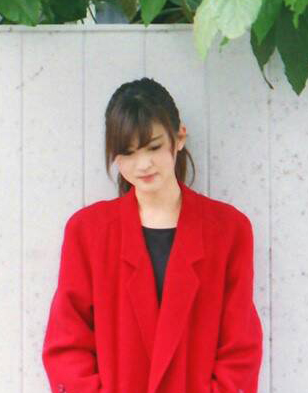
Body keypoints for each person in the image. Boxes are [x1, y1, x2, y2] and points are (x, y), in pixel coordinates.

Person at [42, 78, 263, 393]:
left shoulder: (228, 230)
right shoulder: (88, 232)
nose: (143, 164)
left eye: (154, 147)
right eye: (127, 152)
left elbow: (240, 348)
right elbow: (67, 342)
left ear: (179, 137)